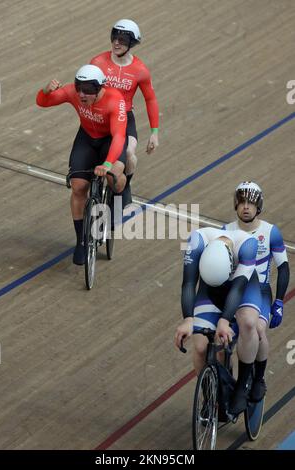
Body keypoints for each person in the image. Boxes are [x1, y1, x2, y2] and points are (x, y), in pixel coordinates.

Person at [36, 64, 128, 265]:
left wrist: (107, 163)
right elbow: (42, 102)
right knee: (78, 187)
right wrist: (46, 90)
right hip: (87, 138)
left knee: (114, 177)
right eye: (79, 88)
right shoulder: (73, 92)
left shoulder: (114, 100)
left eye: (88, 90)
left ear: (100, 88)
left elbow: (120, 136)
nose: (82, 95)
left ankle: (119, 197)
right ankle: (81, 241)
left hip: (110, 140)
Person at [174, 226, 262, 415]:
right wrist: (188, 319)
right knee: (200, 347)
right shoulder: (197, 241)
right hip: (209, 289)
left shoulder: (247, 245)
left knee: (247, 322)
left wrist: (224, 320)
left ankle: (242, 386)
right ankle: (210, 397)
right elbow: (189, 283)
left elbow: (237, 290)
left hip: (242, 287)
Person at [223, 181, 290, 402]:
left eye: (250, 203)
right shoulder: (226, 231)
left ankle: (258, 378)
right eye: (241, 202)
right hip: (235, 289)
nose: (245, 207)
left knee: (257, 330)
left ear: (258, 206)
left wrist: (279, 302)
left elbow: (283, 268)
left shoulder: (270, 232)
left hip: (260, 291)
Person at [90, 19, 159, 198]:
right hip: (101, 116)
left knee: (129, 153)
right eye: (114, 38)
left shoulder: (140, 70)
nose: (116, 43)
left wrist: (154, 132)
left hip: (125, 117)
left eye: (122, 40)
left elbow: (150, 99)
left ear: (132, 43)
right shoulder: (98, 62)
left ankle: (124, 186)